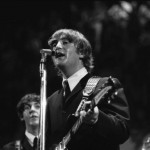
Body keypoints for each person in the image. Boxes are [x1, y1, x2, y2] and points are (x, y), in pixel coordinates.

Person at [46, 29, 130, 150]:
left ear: (82, 52)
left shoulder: (104, 85)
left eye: (65, 42)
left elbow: (123, 132)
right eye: (54, 44)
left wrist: (97, 118)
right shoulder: (51, 101)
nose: (57, 47)